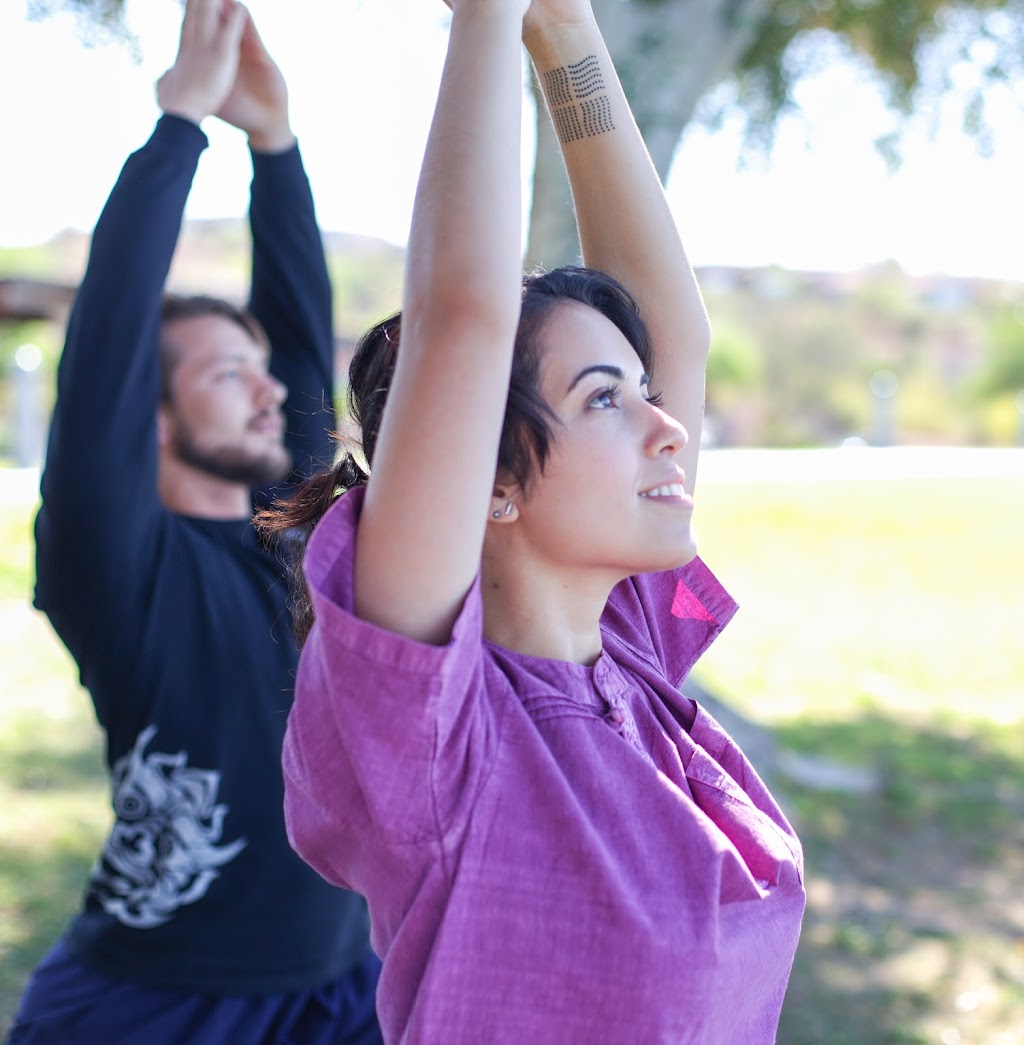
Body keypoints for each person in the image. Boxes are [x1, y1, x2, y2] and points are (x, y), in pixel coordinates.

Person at [261, 0, 806, 1040]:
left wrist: (566, 35)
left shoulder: (630, 652)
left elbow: (674, 328)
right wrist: (487, 15)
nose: (666, 427)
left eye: (645, 393)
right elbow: (463, 314)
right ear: (493, 483)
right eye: (606, 397)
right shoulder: (436, 727)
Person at [7, 2, 381, 1042]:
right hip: (159, 1003)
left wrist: (276, 145)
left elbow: (301, 346)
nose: (270, 393)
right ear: (153, 420)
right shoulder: (114, 567)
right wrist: (179, 125)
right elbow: (106, 349)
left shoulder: (293, 536)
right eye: (228, 374)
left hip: (349, 982)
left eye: (261, 372)